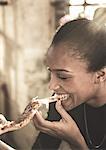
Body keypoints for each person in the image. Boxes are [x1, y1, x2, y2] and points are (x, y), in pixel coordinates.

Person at [32, 18, 106, 150]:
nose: (52, 86)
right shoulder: (61, 103)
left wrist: (75, 141)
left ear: (100, 75)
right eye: (51, 73)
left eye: (62, 77)